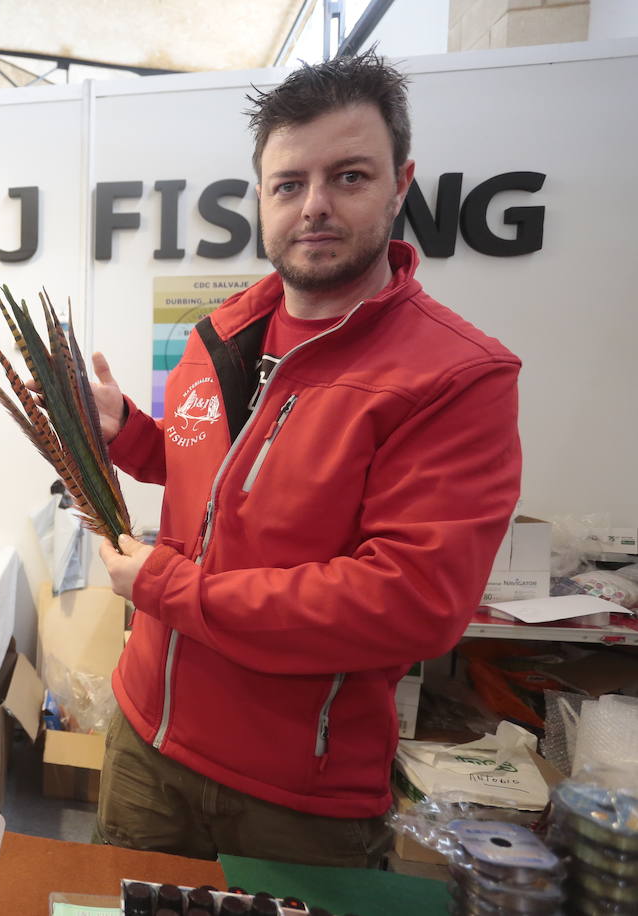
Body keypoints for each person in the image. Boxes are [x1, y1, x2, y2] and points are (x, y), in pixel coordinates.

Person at [92, 52, 522, 867]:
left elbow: (409, 602)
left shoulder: (455, 374)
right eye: (289, 184)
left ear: (401, 184)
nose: (314, 207)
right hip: (147, 741)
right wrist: (128, 437)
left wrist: (169, 590)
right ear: (260, 196)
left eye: (349, 176)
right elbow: (210, 485)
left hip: (297, 794)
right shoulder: (223, 334)